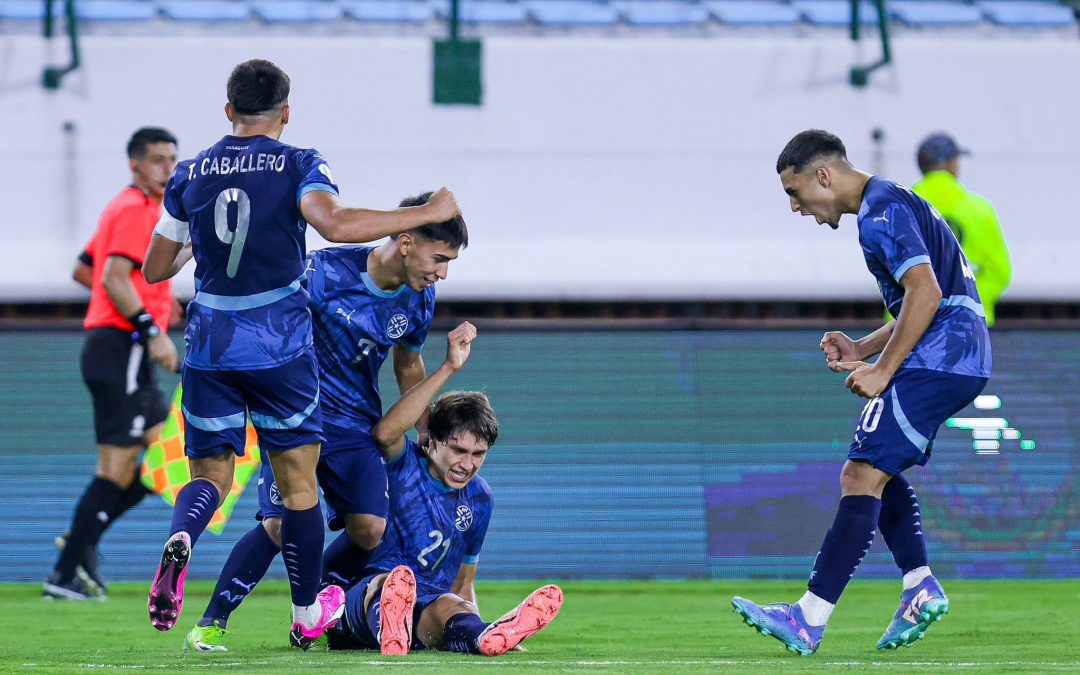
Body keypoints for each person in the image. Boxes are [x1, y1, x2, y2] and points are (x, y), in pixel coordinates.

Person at [141, 59, 461, 649]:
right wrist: (423, 212)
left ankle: (183, 538)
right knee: (298, 492)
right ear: (285, 113)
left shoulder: (189, 173)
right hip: (277, 345)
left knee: (209, 475)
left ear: (228, 109)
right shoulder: (298, 162)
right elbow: (334, 226)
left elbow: (156, 269)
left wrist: (200, 236)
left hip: (209, 340)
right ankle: (305, 609)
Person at [731, 130, 991, 655]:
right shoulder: (889, 200)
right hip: (956, 351)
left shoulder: (879, 214)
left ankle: (809, 617)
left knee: (858, 472)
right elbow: (926, 300)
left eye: (795, 192)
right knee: (875, 468)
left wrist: (882, 369)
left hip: (944, 355)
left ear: (823, 176)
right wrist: (864, 346)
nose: (794, 206)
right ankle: (918, 584)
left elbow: (926, 292)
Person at [184, 192, 468, 652]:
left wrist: (426, 431)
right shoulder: (322, 272)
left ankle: (312, 609)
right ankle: (211, 623)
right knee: (279, 526)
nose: (442, 272)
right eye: (439, 258)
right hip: (296, 418)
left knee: (371, 530)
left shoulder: (419, 300)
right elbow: (267, 318)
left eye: (450, 262)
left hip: (356, 425)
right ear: (406, 241)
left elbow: (408, 365)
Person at [326, 322, 563, 656]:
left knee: (450, 606)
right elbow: (384, 433)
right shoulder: (403, 463)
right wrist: (449, 366)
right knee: (385, 585)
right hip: (356, 597)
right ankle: (391, 622)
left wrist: (472, 617)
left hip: (426, 599)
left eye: (478, 454)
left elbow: (464, 580)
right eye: (459, 450)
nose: (468, 463)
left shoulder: (480, 497)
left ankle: (483, 637)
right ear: (432, 441)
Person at [43, 127, 180, 601]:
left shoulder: (139, 210)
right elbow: (111, 276)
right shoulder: (132, 208)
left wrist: (155, 301)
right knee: (117, 467)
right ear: (136, 165)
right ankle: (64, 573)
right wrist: (151, 327)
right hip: (121, 348)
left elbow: (84, 269)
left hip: (125, 351)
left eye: (172, 159)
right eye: (159, 159)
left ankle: (81, 540)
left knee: (170, 457)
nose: (168, 167)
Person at [912, 133, 1011, 326]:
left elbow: (883, 266)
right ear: (951, 163)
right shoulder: (979, 209)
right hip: (967, 324)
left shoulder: (897, 207)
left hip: (910, 326)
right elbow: (1000, 270)